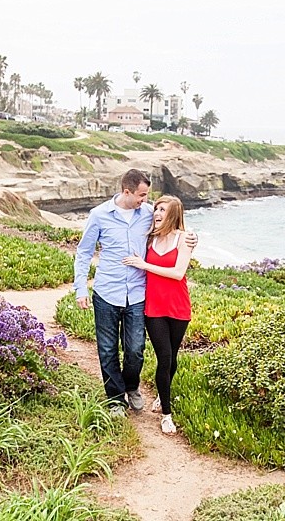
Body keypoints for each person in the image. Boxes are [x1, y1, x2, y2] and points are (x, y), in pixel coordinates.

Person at [73, 170, 196, 415]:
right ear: (127, 192)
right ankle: (116, 399)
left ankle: (131, 386)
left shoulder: (149, 212)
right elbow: (84, 252)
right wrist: (80, 288)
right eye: (141, 195)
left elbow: (172, 222)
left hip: (139, 294)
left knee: (135, 349)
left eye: (146, 195)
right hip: (107, 292)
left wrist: (191, 236)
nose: (145, 200)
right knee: (107, 349)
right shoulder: (98, 215)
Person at [122, 195, 193, 434]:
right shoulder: (150, 238)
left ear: (173, 214)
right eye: (156, 209)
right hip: (154, 307)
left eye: (163, 209)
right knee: (164, 357)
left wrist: (144, 265)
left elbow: (177, 273)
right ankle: (166, 415)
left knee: (172, 357)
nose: (157, 213)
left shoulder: (185, 239)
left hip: (178, 306)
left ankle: (162, 395)